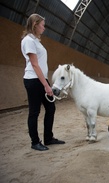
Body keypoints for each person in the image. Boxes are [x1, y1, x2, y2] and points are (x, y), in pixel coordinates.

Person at [21, 14, 65, 151]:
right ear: (35, 24)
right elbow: (34, 65)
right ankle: (35, 142)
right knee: (34, 112)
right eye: (42, 25)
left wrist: (45, 82)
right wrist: (46, 85)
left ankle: (48, 138)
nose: (44, 28)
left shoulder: (36, 41)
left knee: (51, 108)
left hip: (41, 79)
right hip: (33, 80)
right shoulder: (28, 40)